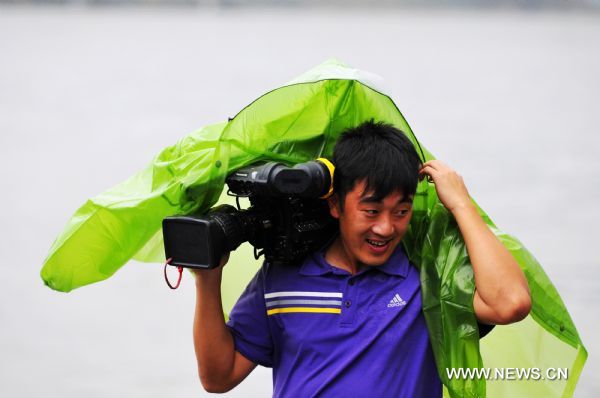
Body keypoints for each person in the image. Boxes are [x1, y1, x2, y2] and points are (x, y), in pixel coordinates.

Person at [191, 121, 531, 397]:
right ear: (336, 204)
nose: (385, 227)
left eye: (402, 211)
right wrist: (208, 278)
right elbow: (219, 377)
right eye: (371, 210)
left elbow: (510, 303)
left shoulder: (426, 281)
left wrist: (460, 204)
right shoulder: (280, 277)